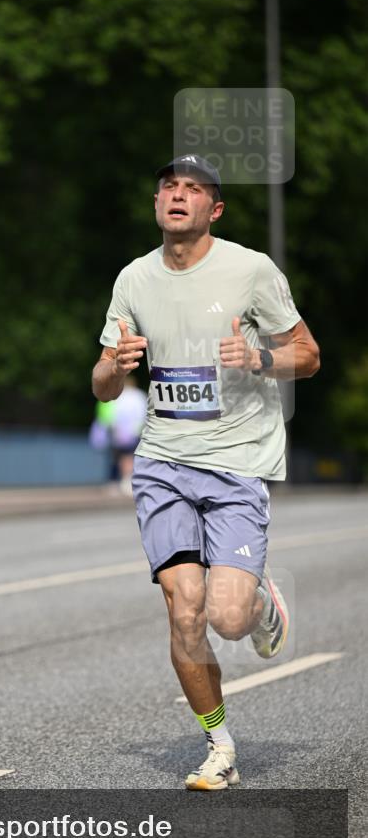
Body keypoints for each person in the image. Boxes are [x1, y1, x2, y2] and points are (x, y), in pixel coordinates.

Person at [92, 154, 320, 790]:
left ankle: (257, 602)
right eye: (168, 186)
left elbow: (308, 355)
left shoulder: (250, 270)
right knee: (182, 610)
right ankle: (218, 746)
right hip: (163, 461)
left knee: (226, 617)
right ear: (156, 203)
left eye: (193, 189)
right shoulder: (133, 280)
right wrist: (119, 366)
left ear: (213, 210)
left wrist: (255, 353)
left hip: (236, 460)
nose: (178, 195)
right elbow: (103, 382)